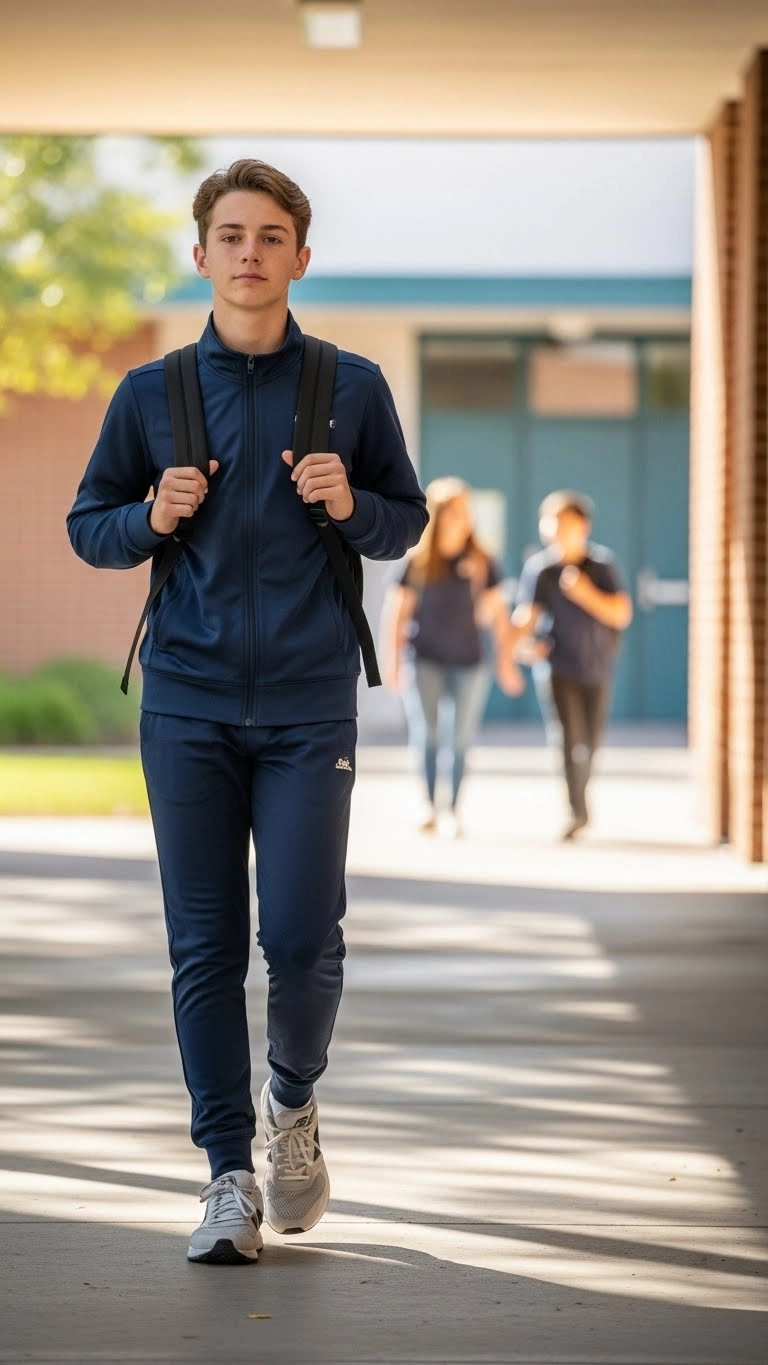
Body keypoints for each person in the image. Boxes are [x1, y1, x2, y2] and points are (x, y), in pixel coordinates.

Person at [67, 159, 427, 1265]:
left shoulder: (353, 386)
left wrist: (349, 500)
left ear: (300, 259)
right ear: (202, 254)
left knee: (305, 939)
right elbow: (90, 525)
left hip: (312, 704)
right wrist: (151, 518)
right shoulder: (151, 394)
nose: (250, 253)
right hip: (186, 701)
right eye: (231, 234)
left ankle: (295, 1104)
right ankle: (227, 1175)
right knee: (205, 944)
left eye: (272, 236)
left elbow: (402, 523)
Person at [383, 476, 522, 835]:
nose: (458, 519)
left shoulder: (482, 561)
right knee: (426, 735)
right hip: (425, 658)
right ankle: (429, 806)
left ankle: (454, 810)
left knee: (460, 739)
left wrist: (506, 661)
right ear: (437, 515)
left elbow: (498, 616)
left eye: (463, 512)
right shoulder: (418, 561)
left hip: (469, 662)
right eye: (450, 512)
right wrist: (393, 663)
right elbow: (397, 614)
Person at [506, 490, 633, 840]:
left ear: (584, 526)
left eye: (568, 523)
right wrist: (518, 650)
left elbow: (621, 613)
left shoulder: (602, 565)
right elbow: (526, 618)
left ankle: (581, 798)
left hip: (598, 667)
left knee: (590, 743)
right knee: (567, 740)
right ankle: (577, 811)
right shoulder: (542, 569)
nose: (560, 531)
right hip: (558, 669)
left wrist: (584, 592)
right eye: (554, 524)